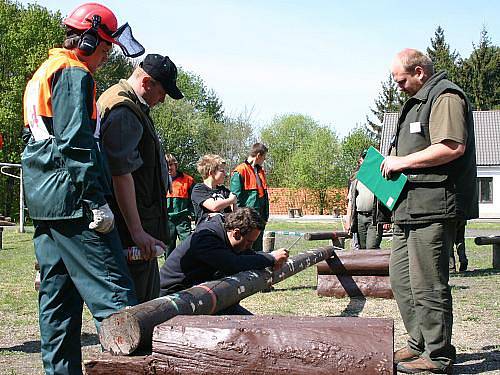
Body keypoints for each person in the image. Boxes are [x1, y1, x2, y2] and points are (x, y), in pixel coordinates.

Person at [20, 3, 143, 373]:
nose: (105, 58)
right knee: (117, 298)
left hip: (45, 203)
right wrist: (95, 203)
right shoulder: (74, 73)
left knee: (57, 304)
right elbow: (76, 144)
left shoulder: (44, 71)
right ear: (88, 41)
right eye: (105, 50)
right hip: (75, 203)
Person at [381, 48, 478, 374]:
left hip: (435, 205)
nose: (398, 87)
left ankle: (438, 358)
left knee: (428, 285)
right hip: (409, 206)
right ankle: (418, 343)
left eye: (401, 80)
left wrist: (402, 161)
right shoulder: (417, 102)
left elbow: (452, 145)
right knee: (401, 278)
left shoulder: (445, 96)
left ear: (420, 72)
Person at [98, 53, 183, 303]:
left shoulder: (129, 105)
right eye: (162, 91)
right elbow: (120, 174)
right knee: (138, 309)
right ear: (147, 82)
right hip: (132, 232)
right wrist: (137, 231)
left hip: (138, 226)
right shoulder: (124, 110)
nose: (163, 99)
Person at [159, 207, 289, 314]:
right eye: (249, 242)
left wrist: (268, 261)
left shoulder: (224, 235)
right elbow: (233, 264)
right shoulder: (207, 238)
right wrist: (270, 258)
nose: (250, 247)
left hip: (199, 294)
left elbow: (245, 255)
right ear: (236, 233)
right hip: (174, 299)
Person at [230, 143, 270, 251]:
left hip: (260, 215)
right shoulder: (240, 171)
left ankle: (258, 266)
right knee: (245, 246)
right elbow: (235, 199)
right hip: (247, 218)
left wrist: (265, 215)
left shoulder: (260, 171)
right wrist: (238, 220)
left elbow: (263, 195)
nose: (264, 159)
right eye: (264, 157)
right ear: (258, 155)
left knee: (257, 246)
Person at [345, 149, 383, 249]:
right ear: (360, 161)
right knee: (361, 249)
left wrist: (385, 219)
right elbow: (350, 202)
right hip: (359, 218)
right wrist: (348, 221)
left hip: (374, 218)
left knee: (371, 248)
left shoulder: (379, 176)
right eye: (364, 158)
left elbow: (385, 198)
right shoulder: (355, 178)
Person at [191, 154, 237, 225]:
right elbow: (214, 207)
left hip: (224, 231)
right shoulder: (199, 189)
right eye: (222, 171)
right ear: (211, 172)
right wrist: (231, 200)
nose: (225, 174)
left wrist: (233, 202)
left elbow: (234, 213)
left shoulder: (224, 190)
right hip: (207, 232)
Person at [165, 154, 195, 257]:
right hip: (167, 219)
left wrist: (192, 214)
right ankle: (168, 270)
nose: (169, 167)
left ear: (175, 165)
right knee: (168, 248)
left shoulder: (188, 180)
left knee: (187, 245)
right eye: (166, 165)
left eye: (171, 164)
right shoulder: (160, 181)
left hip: (183, 218)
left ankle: (187, 268)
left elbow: (194, 199)